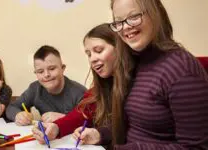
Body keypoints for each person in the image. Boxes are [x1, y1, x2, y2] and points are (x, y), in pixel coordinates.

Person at [75, 0, 208, 149]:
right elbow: (135, 126)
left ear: (154, 13)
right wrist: (100, 134)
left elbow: (197, 147)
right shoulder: (135, 62)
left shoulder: (182, 68)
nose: (125, 27)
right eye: (118, 22)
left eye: (133, 17)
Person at [32, 23, 134, 149]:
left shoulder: (138, 85)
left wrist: (100, 134)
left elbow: (131, 126)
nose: (92, 59)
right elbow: (82, 113)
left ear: (119, 48)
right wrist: (57, 127)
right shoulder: (98, 89)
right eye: (89, 54)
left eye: (98, 50)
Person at [6, 45, 87, 125]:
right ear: (36, 73)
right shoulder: (35, 88)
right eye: (40, 71)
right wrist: (18, 115)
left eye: (52, 69)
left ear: (62, 68)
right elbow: (11, 108)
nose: (46, 75)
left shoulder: (79, 92)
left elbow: (91, 121)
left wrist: (65, 118)